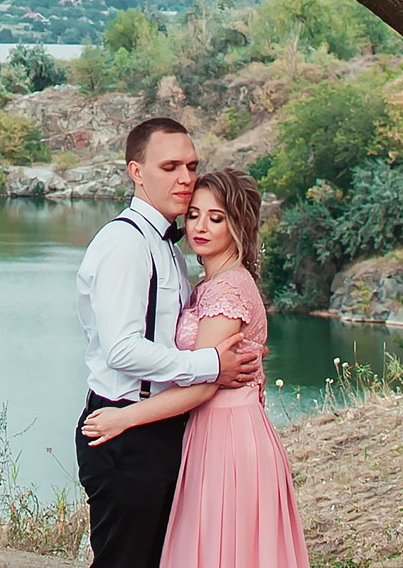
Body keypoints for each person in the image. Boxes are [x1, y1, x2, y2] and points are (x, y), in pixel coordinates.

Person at [82, 166, 309, 568]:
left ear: (238, 224)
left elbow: (206, 384)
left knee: (225, 551)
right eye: (194, 214)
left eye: (216, 217)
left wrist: (125, 418)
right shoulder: (211, 282)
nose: (200, 226)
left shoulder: (226, 288)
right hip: (210, 431)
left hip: (228, 436)